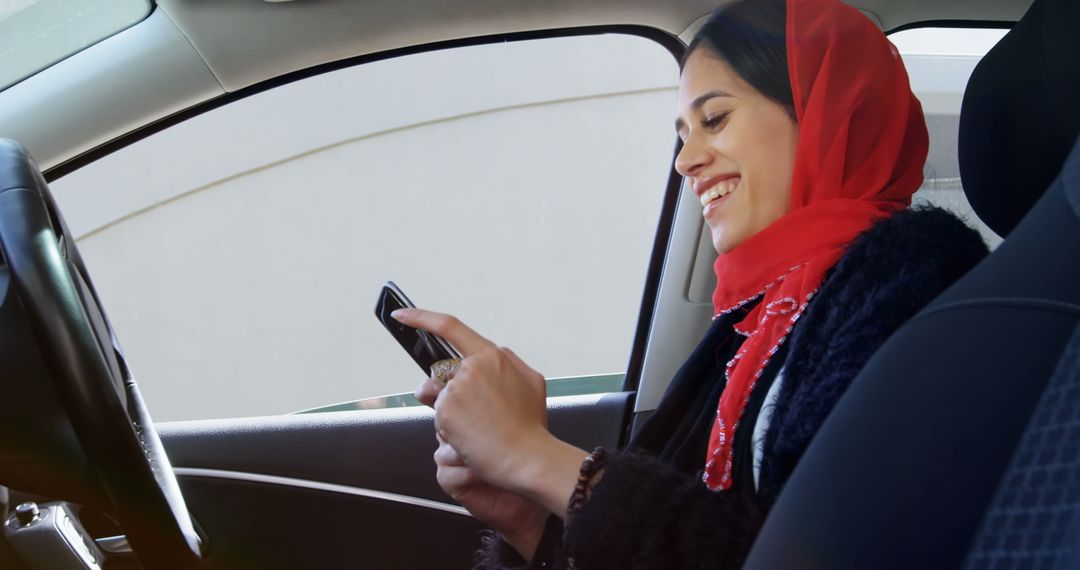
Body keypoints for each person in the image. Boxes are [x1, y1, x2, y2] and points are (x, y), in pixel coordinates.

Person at [391, 0, 989, 567]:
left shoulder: (911, 287)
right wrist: (529, 522)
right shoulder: (754, 318)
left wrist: (534, 457)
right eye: (684, 133)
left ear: (825, 113)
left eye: (715, 118)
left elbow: (813, 555)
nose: (685, 160)